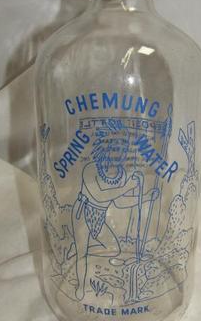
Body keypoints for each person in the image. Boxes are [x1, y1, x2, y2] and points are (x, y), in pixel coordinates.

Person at [70, 120, 158, 300]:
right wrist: (127, 187)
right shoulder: (91, 168)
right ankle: (80, 285)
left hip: (100, 216)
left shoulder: (119, 174)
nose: (120, 151)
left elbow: (120, 202)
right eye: (115, 145)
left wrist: (146, 197)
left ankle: (85, 255)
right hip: (83, 213)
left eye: (123, 147)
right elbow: (100, 195)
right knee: (82, 253)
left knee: (115, 250)